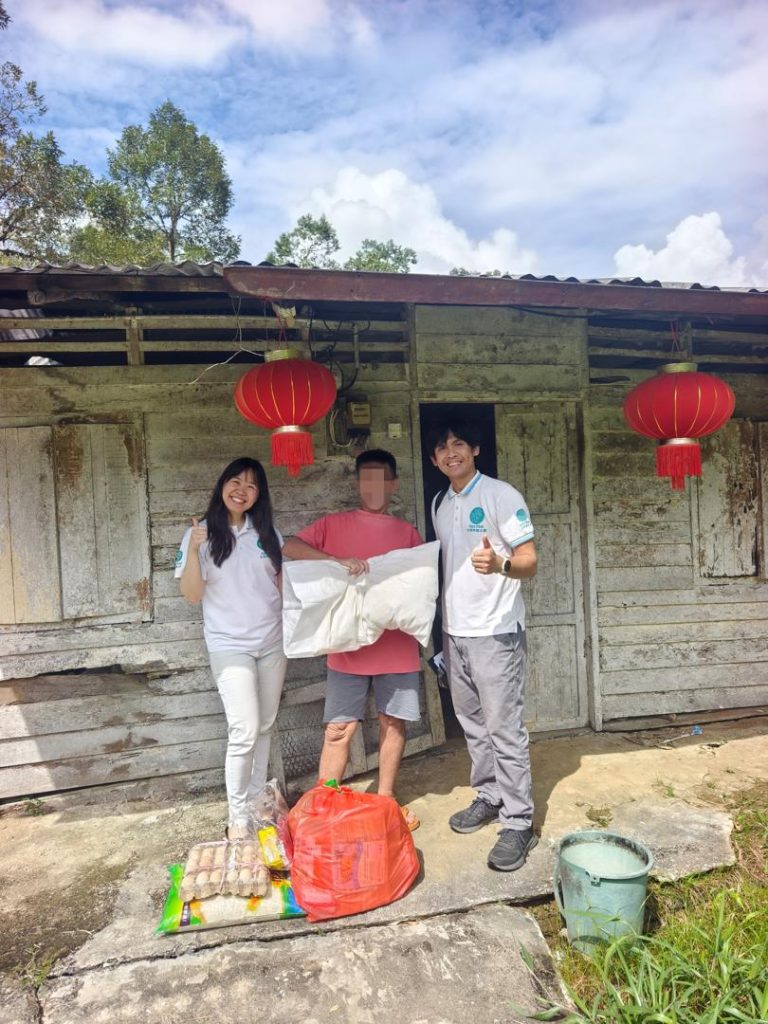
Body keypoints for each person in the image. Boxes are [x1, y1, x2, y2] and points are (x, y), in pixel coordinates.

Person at [282, 449, 424, 831]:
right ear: (358, 484)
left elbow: (420, 585)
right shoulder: (333, 525)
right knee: (339, 729)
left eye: (382, 479)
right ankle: (323, 805)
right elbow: (290, 547)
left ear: (393, 484)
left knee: (393, 722)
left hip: (397, 646)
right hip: (346, 647)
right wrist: (334, 560)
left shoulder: (407, 534)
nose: (374, 487)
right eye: (367, 479)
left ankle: (387, 800)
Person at [427, 420, 538, 871]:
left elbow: (529, 561)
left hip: (495, 632)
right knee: (473, 724)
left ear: (474, 449)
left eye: (458, 443)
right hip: (455, 633)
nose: (450, 452)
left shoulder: (500, 495)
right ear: (434, 460)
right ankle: (490, 796)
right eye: (442, 447)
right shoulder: (439, 503)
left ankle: (519, 822)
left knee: (504, 728)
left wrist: (500, 564)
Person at [175, 457, 286, 841]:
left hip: (272, 642)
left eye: (251, 485)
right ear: (222, 485)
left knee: (265, 725)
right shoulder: (200, 534)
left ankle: (258, 803)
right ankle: (238, 816)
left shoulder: (268, 534)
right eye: (235, 481)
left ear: (259, 495)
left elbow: (283, 586)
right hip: (229, 645)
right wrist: (194, 550)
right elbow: (192, 595)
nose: (242, 490)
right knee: (245, 729)